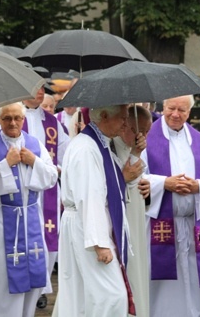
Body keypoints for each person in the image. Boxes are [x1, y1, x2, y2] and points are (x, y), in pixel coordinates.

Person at [0, 103, 58, 317]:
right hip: (0, 222)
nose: (13, 122)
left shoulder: (34, 145)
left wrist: (34, 161)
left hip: (30, 219)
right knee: (0, 279)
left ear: (23, 119)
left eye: (17, 118)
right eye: (7, 118)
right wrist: (6, 164)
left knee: (31, 277)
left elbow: (51, 176)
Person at [53, 104, 137, 317]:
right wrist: (100, 243)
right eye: (123, 118)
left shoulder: (100, 143)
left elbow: (115, 183)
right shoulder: (87, 148)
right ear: (105, 115)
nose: (126, 123)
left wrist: (135, 150)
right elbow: (89, 196)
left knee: (82, 296)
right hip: (87, 228)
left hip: (87, 225)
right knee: (111, 296)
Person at [141, 95, 200, 317]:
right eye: (171, 108)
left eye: (182, 110)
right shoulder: (146, 137)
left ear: (189, 112)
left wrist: (197, 186)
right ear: (163, 107)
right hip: (158, 226)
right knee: (161, 284)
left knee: (191, 279)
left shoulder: (199, 140)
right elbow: (135, 176)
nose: (175, 114)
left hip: (192, 226)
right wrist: (164, 183)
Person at [22, 85, 70, 308]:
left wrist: (57, 168)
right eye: (35, 89)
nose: (40, 93)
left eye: (42, 88)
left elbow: (66, 154)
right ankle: (23, 281)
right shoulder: (14, 117)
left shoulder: (53, 123)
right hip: (21, 189)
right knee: (24, 236)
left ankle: (41, 287)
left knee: (47, 237)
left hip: (47, 189)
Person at [113, 105, 152, 317]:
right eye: (141, 130)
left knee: (138, 272)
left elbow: (142, 185)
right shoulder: (110, 147)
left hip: (137, 224)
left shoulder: (134, 150)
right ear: (126, 125)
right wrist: (124, 178)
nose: (143, 136)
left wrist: (147, 189)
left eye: (147, 132)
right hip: (119, 225)